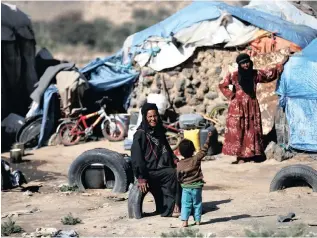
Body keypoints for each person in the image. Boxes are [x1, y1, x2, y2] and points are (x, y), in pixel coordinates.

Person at [219, 53, 286, 164]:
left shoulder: (255, 74)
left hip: (251, 105)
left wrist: (281, 65)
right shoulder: (234, 76)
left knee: (252, 130)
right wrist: (232, 96)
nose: (246, 65)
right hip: (238, 108)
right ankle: (240, 157)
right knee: (240, 130)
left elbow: (269, 74)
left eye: (247, 62)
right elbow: (222, 85)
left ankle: (252, 155)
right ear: (239, 65)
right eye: (243, 63)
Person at [131, 103, 181, 217]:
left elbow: (167, 149)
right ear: (145, 117)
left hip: (161, 166)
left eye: (155, 116)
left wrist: (175, 160)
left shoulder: (159, 131)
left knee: (180, 170)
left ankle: (178, 205)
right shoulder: (140, 134)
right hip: (149, 170)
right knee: (172, 174)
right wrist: (141, 178)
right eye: (150, 117)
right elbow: (137, 158)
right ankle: (171, 208)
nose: (153, 119)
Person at [176, 132, 212, 227]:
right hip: (197, 186)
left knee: (185, 204)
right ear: (193, 150)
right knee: (197, 203)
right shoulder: (196, 159)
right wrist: (208, 139)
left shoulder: (180, 164)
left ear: (180, 152)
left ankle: (185, 221)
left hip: (186, 187)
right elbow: (204, 150)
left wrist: (181, 182)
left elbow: (178, 177)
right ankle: (198, 220)